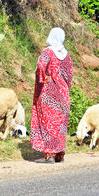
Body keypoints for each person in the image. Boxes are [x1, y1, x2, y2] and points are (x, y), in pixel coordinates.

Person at [30, 27, 73, 163]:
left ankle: (50, 155)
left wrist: (43, 78)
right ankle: (59, 154)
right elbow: (69, 75)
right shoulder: (66, 55)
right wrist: (65, 89)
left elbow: (41, 65)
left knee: (48, 123)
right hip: (64, 94)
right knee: (60, 125)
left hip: (49, 93)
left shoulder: (47, 52)